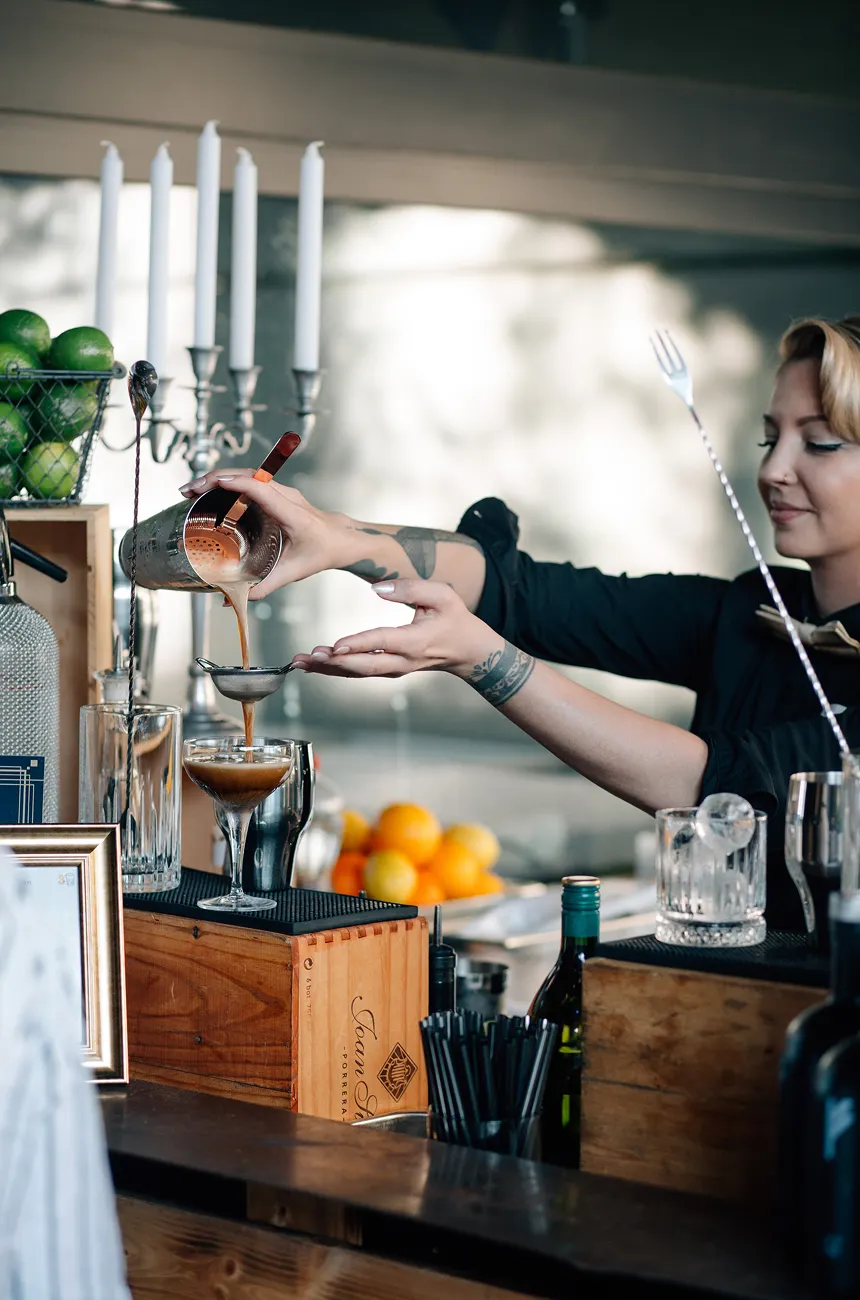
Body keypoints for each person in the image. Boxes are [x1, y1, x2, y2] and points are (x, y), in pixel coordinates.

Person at [182, 315, 860, 932]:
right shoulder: (751, 612)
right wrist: (336, 537)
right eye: (770, 437)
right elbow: (523, 594)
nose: (774, 469)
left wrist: (482, 660)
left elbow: (717, 786)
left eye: (820, 443)